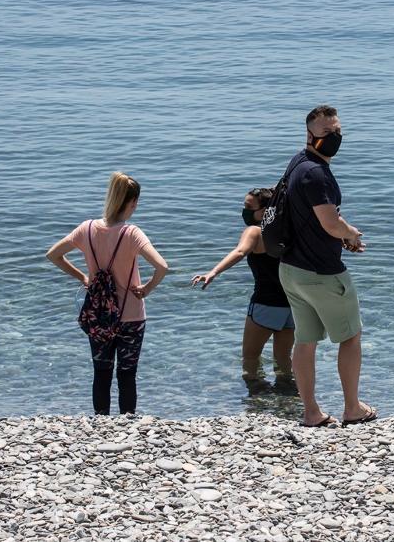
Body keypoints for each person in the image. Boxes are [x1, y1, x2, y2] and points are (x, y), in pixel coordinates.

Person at [278, 105, 376, 427]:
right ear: (309, 134)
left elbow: (319, 217)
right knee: (351, 337)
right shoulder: (316, 173)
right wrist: (349, 233)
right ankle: (352, 408)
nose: (333, 138)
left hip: (291, 271)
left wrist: (343, 234)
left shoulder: (298, 164)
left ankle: (311, 413)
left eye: (337, 132)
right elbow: (331, 223)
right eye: (326, 133)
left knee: (305, 340)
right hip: (322, 274)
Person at [47, 172, 170, 416]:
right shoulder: (131, 233)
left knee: (101, 372)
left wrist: (83, 277)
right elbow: (162, 267)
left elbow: (53, 255)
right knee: (127, 374)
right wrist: (146, 288)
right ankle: (128, 423)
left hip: (99, 315)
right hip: (131, 316)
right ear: (132, 202)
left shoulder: (87, 228)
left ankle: (100, 422)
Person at [192, 188, 297, 393]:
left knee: (250, 357)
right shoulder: (287, 230)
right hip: (292, 305)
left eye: (249, 207)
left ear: (265, 211)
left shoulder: (255, 231)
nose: (244, 211)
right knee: (283, 358)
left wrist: (214, 272)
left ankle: (257, 396)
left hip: (265, 305)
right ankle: (288, 394)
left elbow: (240, 251)